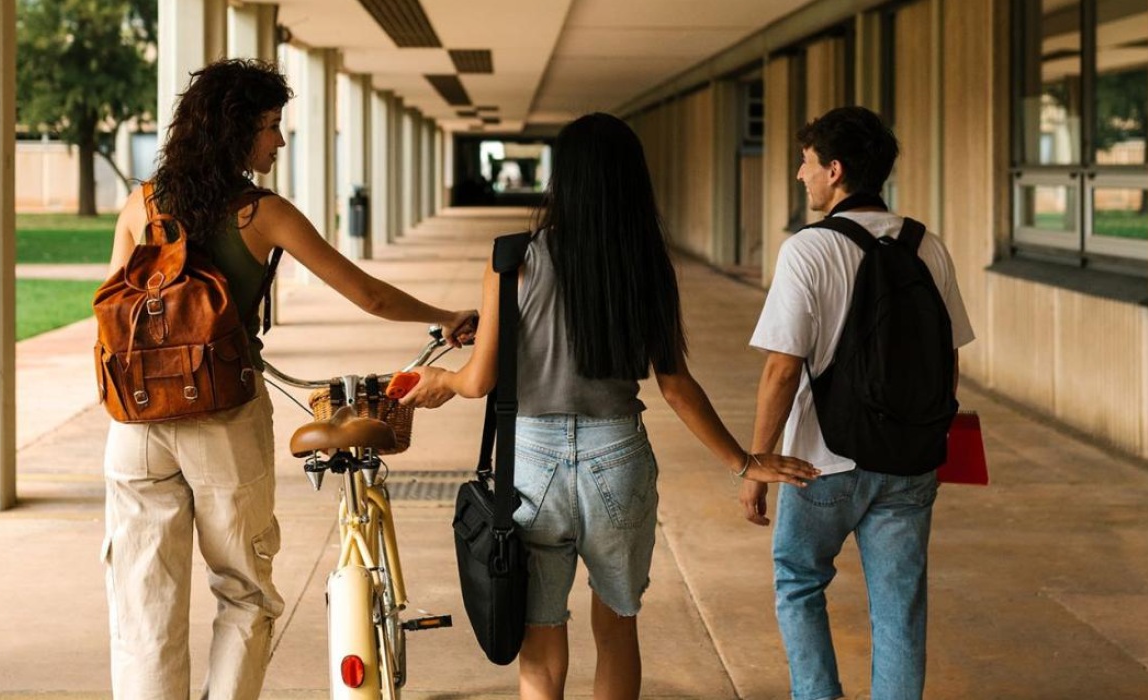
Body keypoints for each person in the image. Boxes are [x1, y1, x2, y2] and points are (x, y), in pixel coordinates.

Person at [401, 113, 820, 700]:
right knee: (617, 623)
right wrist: (743, 462)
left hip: (531, 463)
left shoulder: (512, 259)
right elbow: (675, 385)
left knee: (540, 634)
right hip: (617, 454)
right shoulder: (646, 267)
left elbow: (479, 382)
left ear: (562, 179)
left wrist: (441, 377)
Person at [100, 59, 475, 700]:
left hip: (136, 425)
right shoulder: (261, 214)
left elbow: (110, 307)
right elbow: (370, 297)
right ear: (235, 132)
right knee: (244, 590)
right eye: (271, 127)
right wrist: (448, 317)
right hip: (220, 417)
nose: (278, 140)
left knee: (143, 597)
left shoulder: (143, 202)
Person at [739, 106, 976, 700]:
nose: (801, 175)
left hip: (822, 462)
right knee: (899, 610)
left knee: (799, 582)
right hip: (909, 463)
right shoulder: (928, 246)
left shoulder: (808, 250)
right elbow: (947, 360)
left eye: (806, 162)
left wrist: (758, 462)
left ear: (835, 170)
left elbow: (781, 368)